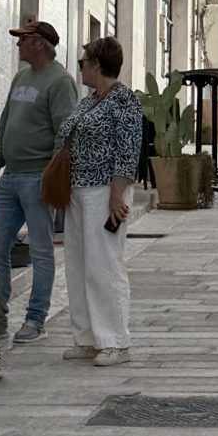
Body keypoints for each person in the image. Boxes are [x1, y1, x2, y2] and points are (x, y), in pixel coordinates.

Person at [0, 20, 77, 343]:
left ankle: (36, 319)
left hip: (37, 176)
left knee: (41, 251)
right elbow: (5, 122)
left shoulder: (61, 81)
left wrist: (51, 176)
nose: (17, 44)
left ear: (38, 43)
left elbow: (65, 133)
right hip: (11, 177)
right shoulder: (20, 77)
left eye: (22, 39)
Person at [57, 37, 144, 367]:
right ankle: (87, 336)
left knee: (105, 264)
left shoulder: (125, 102)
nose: (80, 68)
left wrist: (115, 197)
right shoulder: (89, 101)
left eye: (83, 63)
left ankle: (115, 341)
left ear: (97, 65)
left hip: (103, 192)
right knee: (79, 263)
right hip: (78, 191)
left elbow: (126, 152)